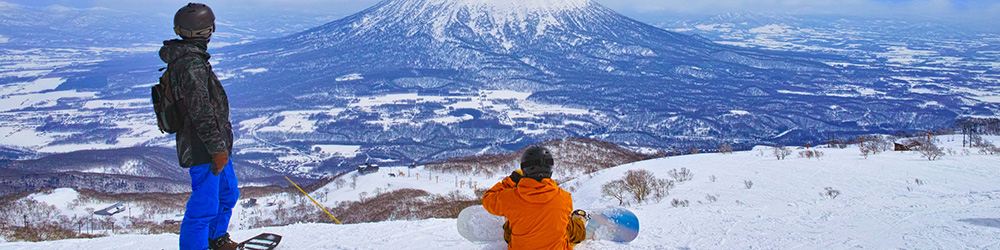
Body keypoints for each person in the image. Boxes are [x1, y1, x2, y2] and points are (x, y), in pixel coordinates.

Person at [160, 3, 238, 250]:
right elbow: (201, 113)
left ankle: (215, 239)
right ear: (206, 30)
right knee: (204, 206)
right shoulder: (191, 65)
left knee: (227, 194)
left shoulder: (192, 59)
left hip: (215, 143)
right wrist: (217, 149)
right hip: (203, 147)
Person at [482, 146, 588, 250]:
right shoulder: (564, 198)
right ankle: (580, 221)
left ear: (524, 169)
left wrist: (511, 180)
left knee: (511, 224)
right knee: (568, 225)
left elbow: (487, 199)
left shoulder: (510, 198)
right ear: (550, 168)